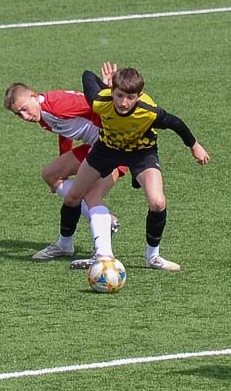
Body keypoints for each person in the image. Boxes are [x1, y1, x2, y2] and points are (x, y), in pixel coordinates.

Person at [58, 62, 211, 272]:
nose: (124, 102)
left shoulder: (148, 111)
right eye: (119, 95)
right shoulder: (101, 101)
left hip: (142, 153)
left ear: (139, 95)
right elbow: (86, 75)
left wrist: (194, 146)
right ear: (113, 91)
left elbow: (176, 123)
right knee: (73, 197)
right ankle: (64, 245)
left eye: (131, 97)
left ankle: (153, 257)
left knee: (158, 202)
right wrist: (105, 85)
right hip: (107, 150)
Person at [4, 83, 126, 263]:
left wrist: (108, 91)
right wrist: (66, 165)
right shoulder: (43, 113)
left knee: (91, 194)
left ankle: (103, 254)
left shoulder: (58, 104)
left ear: (33, 96)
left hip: (116, 145)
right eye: (18, 114)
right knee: (51, 175)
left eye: (24, 109)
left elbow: (98, 106)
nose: (24, 116)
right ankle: (70, 243)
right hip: (96, 145)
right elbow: (65, 128)